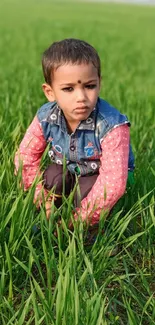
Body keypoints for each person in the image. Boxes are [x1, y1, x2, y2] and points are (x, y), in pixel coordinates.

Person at [14, 38, 135, 228]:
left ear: (99, 84)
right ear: (50, 92)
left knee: (87, 190)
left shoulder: (112, 125)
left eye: (89, 86)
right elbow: (26, 157)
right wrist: (40, 198)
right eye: (68, 89)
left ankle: (90, 228)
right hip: (69, 167)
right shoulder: (46, 117)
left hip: (102, 177)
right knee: (53, 177)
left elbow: (113, 183)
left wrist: (76, 222)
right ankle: (52, 209)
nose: (81, 98)